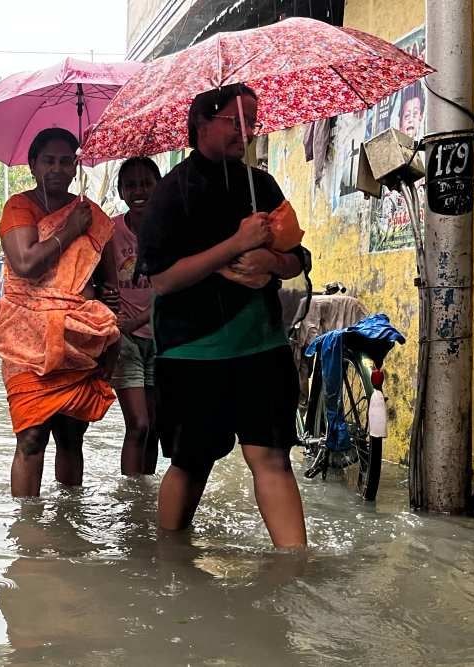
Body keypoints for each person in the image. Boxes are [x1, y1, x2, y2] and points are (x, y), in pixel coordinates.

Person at [136, 85, 310, 548]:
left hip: (262, 345)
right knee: (191, 463)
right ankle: (168, 563)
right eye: (237, 121)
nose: (247, 131)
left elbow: (297, 258)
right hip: (193, 351)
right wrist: (233, 247)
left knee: (273, 457)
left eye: (252, 121)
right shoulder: (170, 194)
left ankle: (294, 572)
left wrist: (271, 263)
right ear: (200, 122)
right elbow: (163, 280)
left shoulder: (261, 185)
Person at [0, 128, 120, 497]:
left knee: (71, 437)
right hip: (26, 340)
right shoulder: (19, 207)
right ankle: (27, 530)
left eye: (66, 161)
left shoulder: (91, 215)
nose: (57, 169)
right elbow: (26, 263)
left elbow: (109, 286)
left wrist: (110, 338)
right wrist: (69, 230)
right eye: (48, 160)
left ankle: (70, 524)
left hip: (79, 338)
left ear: (75, 166)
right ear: (33, 165)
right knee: (31, 438)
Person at [109, 157, 163, 477]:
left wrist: (140, 320)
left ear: (158, 186)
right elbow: (99, 277)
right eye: (131, 185)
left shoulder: (170, 229)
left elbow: (174, 288)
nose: (139, 190)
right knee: (139, 425)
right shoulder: (109, 231)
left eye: (146, 183)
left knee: (155, 427)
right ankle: (131, 500)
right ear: (121, 191)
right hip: (124, 338)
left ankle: (145, 502)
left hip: (161, 335)